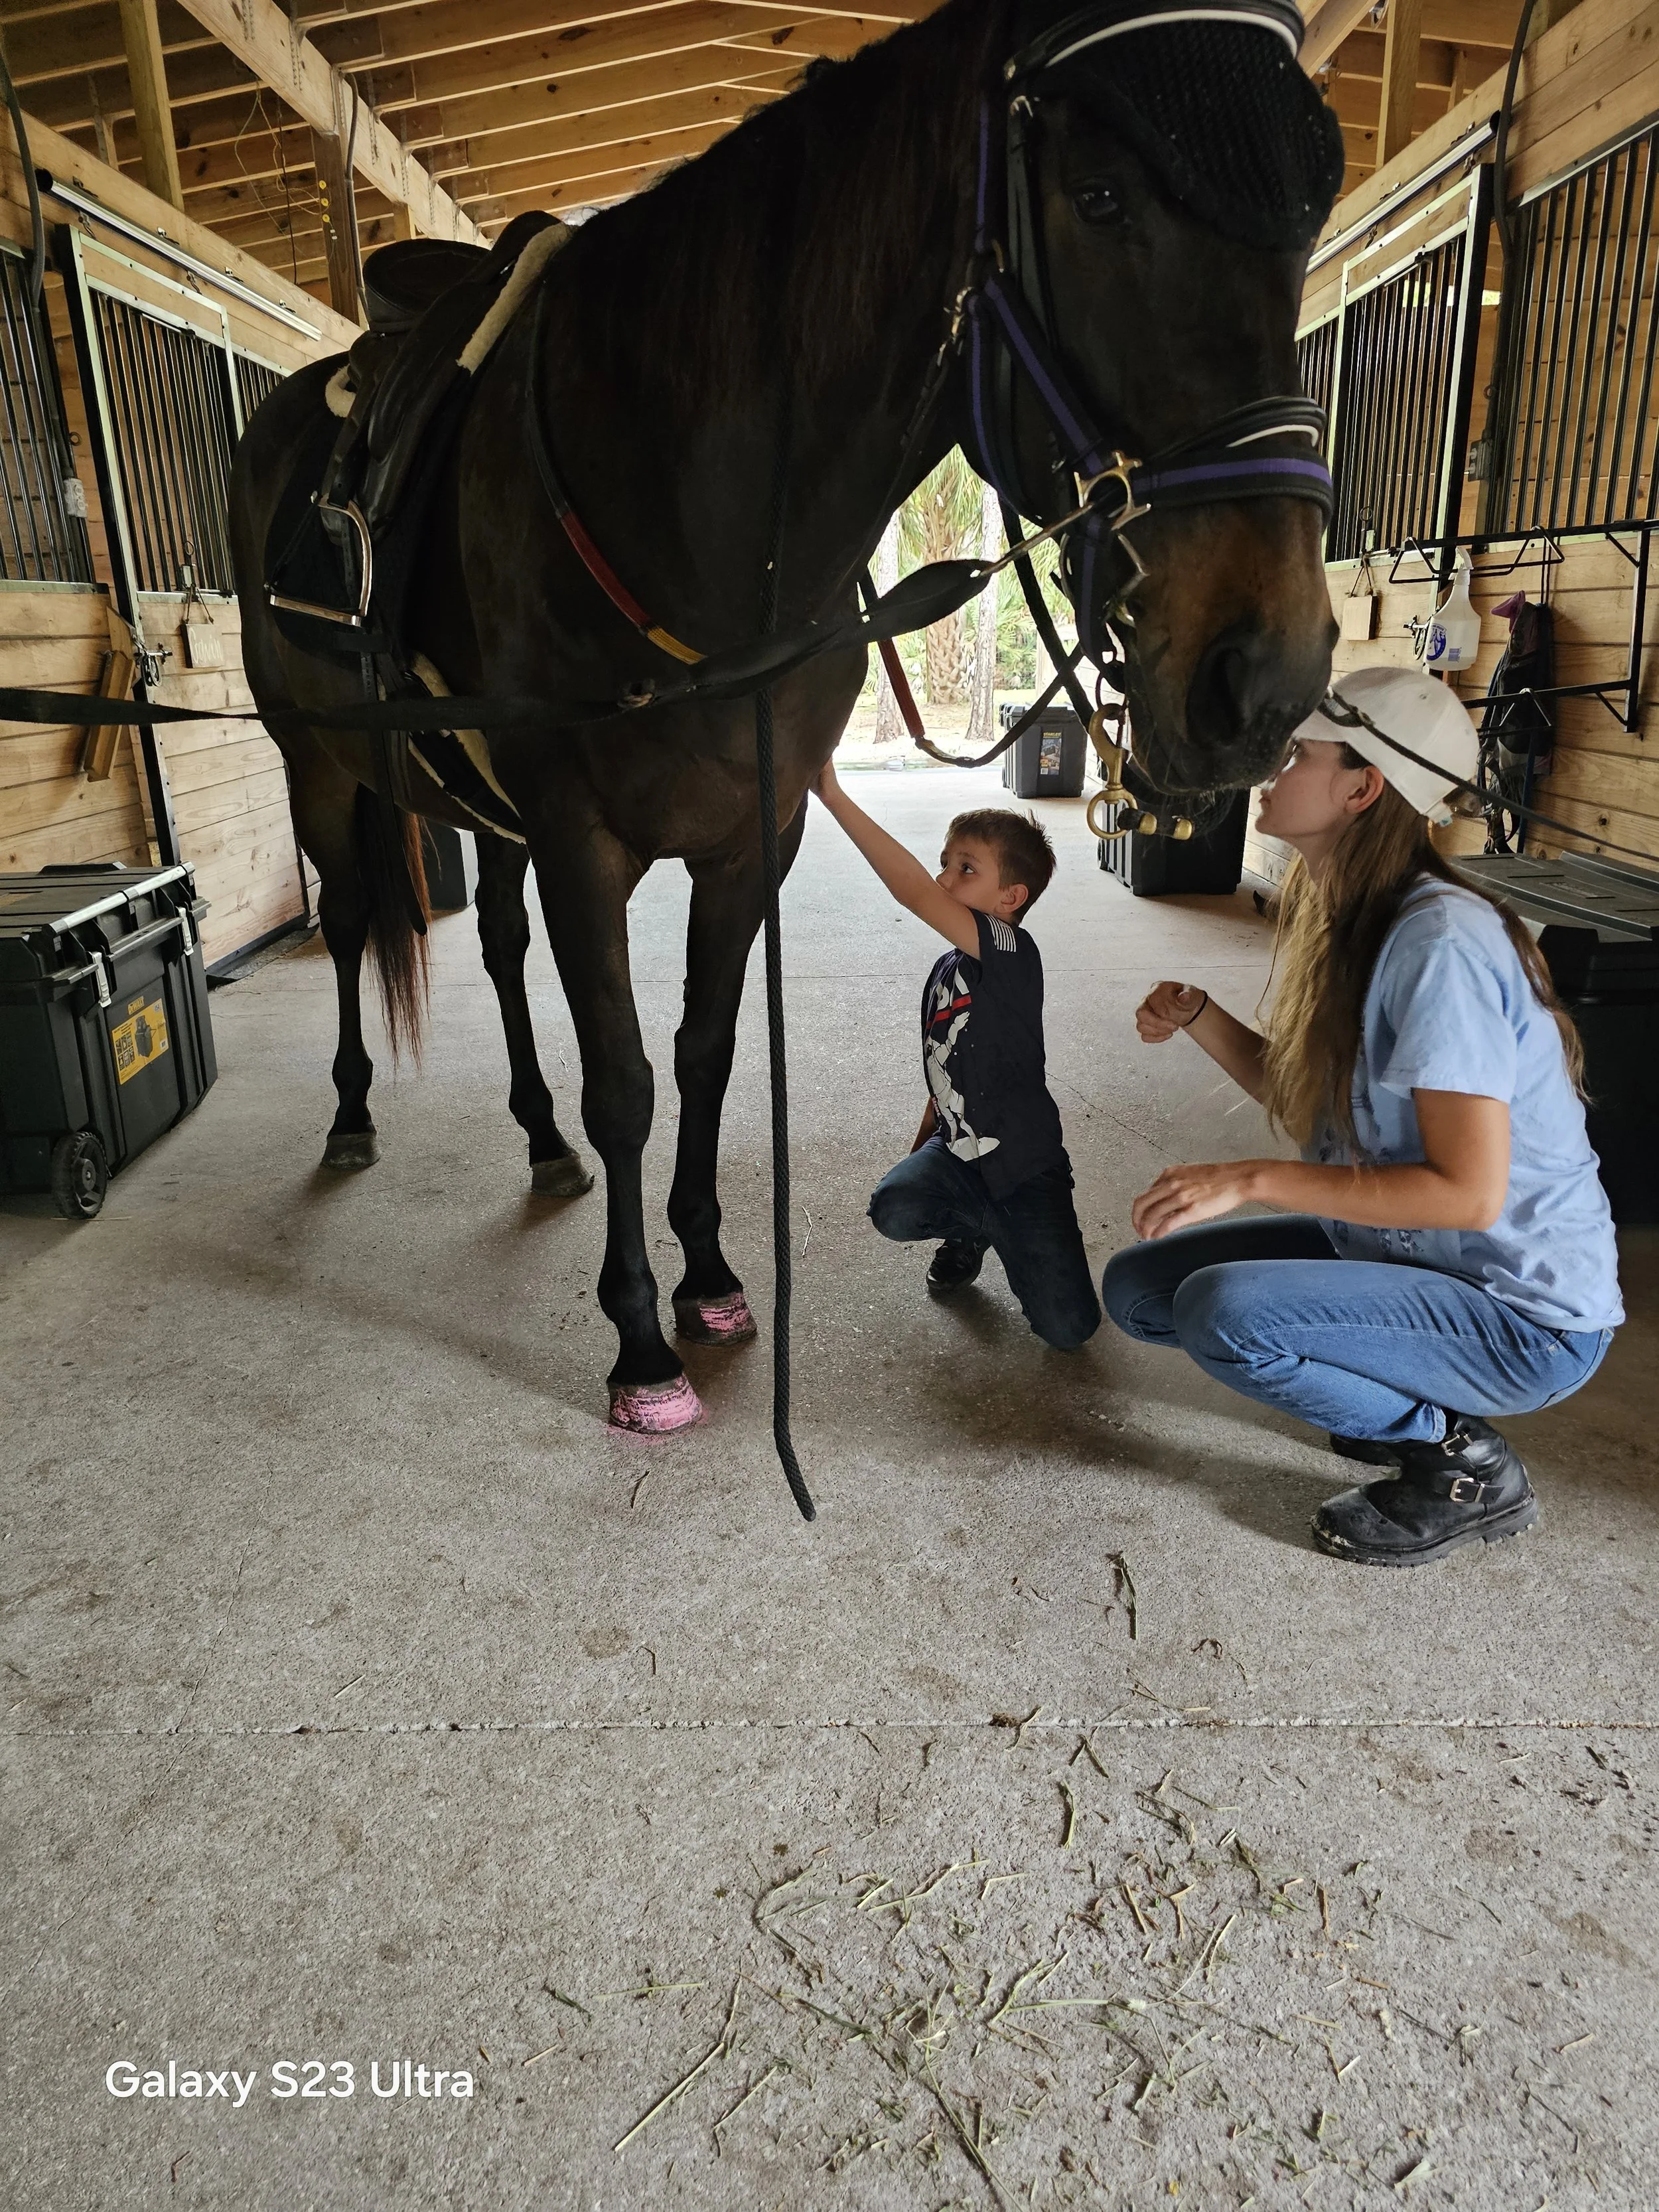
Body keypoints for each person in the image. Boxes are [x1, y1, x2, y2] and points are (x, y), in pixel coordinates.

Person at [1100, 665, 1622, 1568]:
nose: (1275, 771)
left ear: (1362, 787)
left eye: (1298, 754)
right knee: (1141, 1292)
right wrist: (1198, 1016)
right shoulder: (1351, 912)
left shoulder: (1441, 946)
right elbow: (1313, 1097)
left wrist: (1250, 1179)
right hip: (1405, 1259)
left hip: (1522, 1317)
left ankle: (1461, 1462)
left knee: (1224, 1311)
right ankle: (1394, 1386)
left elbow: (1465, 1193)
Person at [812, 759, 1100, 1349]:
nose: (944, 879)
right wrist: (925, 1145)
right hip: (961, 1149)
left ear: (1010, 897)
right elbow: (945, 1065)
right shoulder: (949, 968)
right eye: (945, 863)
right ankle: (974, 1229)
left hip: (1025, 1168)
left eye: (965, 868)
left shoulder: (1013, 951)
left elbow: (913, 892)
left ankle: (1006, 1226)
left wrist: (832, 794)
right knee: (895, 1207)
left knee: (1069, 1331)